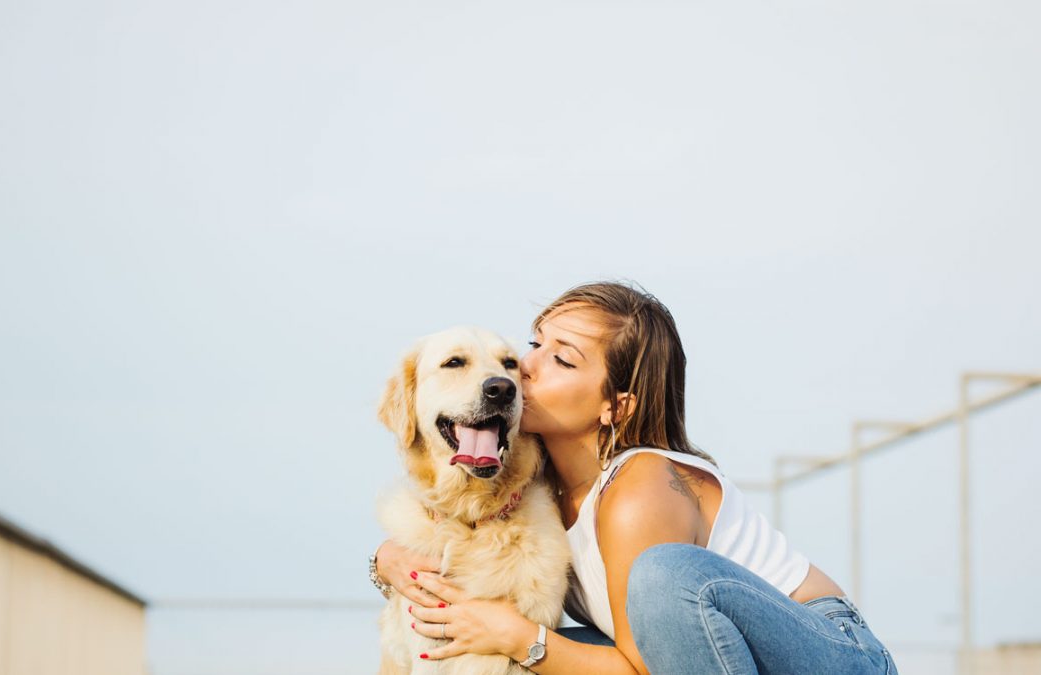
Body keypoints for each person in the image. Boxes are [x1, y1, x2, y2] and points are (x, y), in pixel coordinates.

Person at [372, 281, 898, 674]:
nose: (522, 371)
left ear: (615, 405)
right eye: (533, 346)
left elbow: (645, 667)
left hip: (829, 655)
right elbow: (461, 526)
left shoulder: (639, 488)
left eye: (562, 359)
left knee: (662, 575)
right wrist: (386, 560)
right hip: (707, 657)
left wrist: (518, 637)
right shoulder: (532, 484)